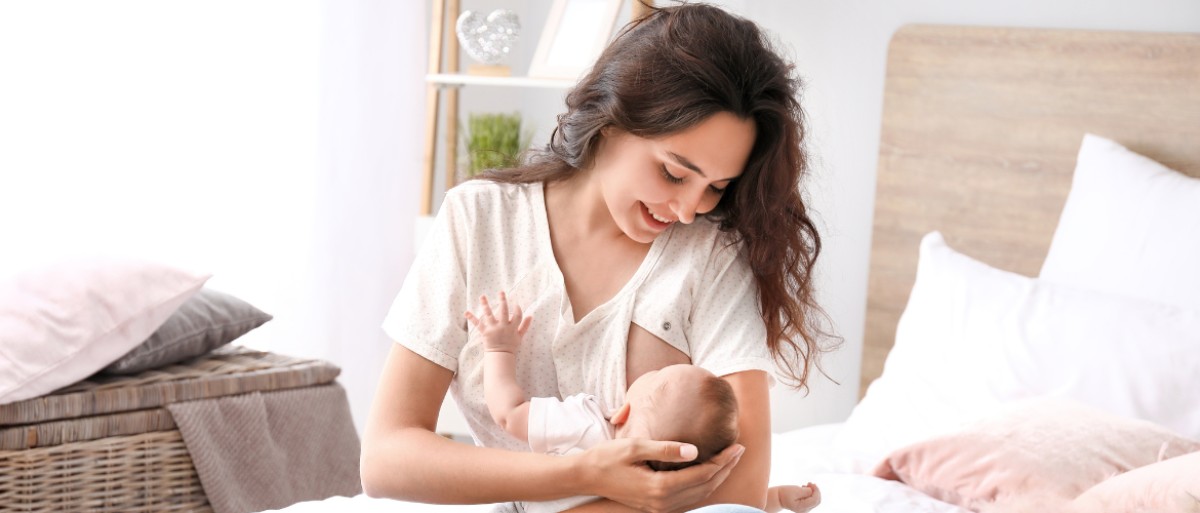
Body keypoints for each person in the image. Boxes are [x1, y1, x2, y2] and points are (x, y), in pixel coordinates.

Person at [362, 3, 835, 512]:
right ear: (611, 122)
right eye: (674, 174)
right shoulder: (479, 220)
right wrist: (582, 472)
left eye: (715, 188)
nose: (686, 209)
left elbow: (739, 494)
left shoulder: (711, 255)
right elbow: (386, 460)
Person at [467, 292, 822, 513]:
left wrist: (499, 349)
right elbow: (720, 506)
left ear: (622, 412)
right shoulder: (665, 493)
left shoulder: (587, 422)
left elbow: (509, 413)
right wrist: (778, 499)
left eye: (656, 376)